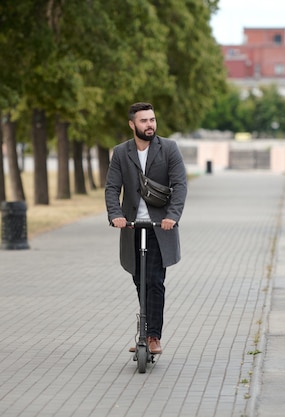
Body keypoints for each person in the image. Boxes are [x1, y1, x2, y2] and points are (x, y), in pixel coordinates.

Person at [105, 102, 187, 355]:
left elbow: (180, 184)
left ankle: (153, 336)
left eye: (152, 120)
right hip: (132, 226)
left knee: (154, 281)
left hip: (159, 227)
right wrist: (115, 214)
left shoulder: (169, 149)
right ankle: (144, 331)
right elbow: (112, 188)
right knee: (139, 280)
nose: (150, 124)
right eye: (144, 121)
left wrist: (172, 216)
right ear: (132, 124)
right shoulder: (121, 153)